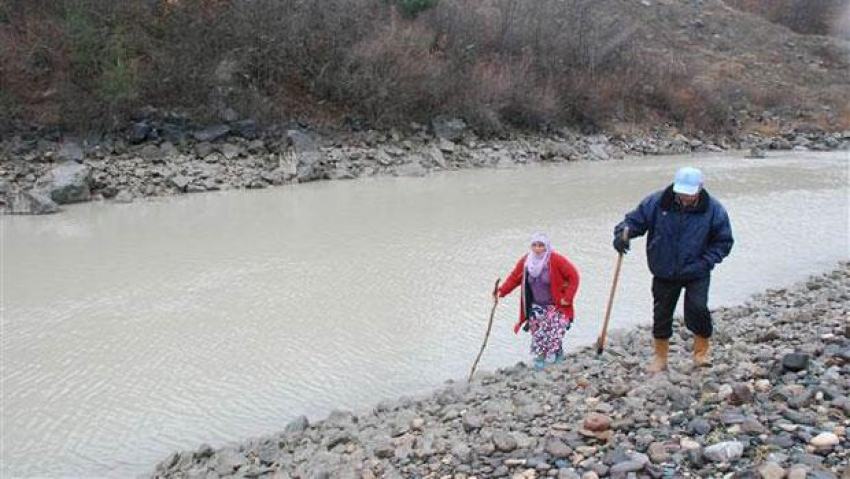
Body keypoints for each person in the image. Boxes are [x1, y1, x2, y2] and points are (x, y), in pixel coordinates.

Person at [613, 167, 733, 372]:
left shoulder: (713, 209)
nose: (685, 197)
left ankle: (701, 353)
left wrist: (706, 262)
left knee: (698, 308)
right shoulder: (657, 202)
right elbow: (633, 222)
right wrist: (622, 235)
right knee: (661, 313)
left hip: (697, 270)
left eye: (690, 193)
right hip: (664, 269)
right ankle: (660, 358)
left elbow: (723, 242)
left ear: (700, 188)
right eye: (682, 192)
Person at [495, 233, 580, 371]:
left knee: (554, 331)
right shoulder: (526, 262)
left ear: (546, 247)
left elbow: (574, 276)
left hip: (555, 305)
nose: (537, 249)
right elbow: (514, 278)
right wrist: (501, 292)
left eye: (541, 245)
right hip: (535, 306)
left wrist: (568, 297)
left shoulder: (556, 260)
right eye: (534, 245)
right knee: (539, 334)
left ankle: (555, 356)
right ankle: (541, 358)